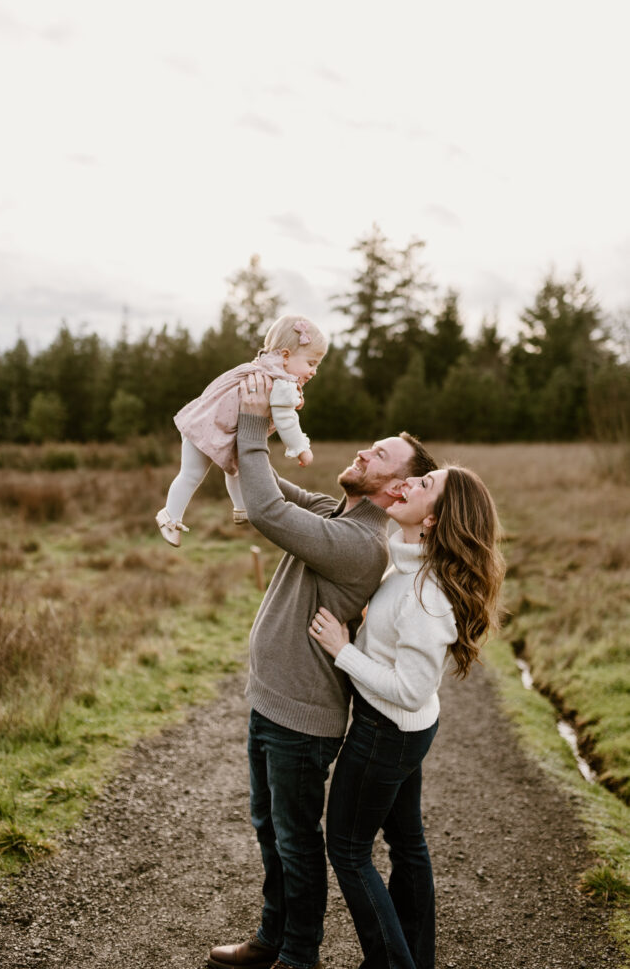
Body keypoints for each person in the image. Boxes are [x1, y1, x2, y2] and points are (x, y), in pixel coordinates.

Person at [207, 374, 439, 969]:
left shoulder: (360, 542)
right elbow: (266, 487)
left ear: (395, 486)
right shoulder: (337, 512)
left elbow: (263, 509)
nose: (364, 451)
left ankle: (298, 955)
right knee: (270, 831)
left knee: (296, 840)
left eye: (380, 454)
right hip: (270, 702)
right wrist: (236, 424)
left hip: (301, 721)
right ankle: (272, 937)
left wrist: (259, 423)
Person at [308, 464, 505, 969]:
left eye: (423, 485)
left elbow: (413, 692)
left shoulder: (427, 596)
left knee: (349, 851)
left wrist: (342, 650)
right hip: (401, 732)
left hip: (386, 731)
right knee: (407, 842)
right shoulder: (408, 563)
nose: (407, 485)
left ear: (435, 518)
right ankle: (414, 958)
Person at [156, 315, 327, 547]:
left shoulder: (259, 367)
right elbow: (287, 419)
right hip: (209, 429)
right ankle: (169, 517)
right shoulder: (280, 382)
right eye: (311, 363)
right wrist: (301, 449)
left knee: (234, 467)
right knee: (193, 474)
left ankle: (241, 507)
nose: (314, 371)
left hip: (208, 424)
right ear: (286, 356)